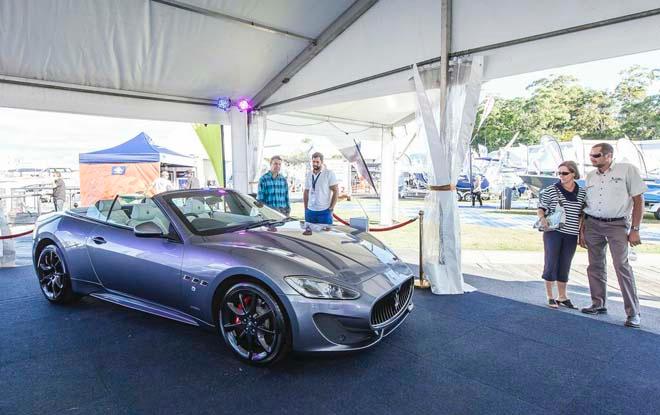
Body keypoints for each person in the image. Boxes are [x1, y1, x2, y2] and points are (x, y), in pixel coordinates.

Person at [579, 143, 646, 328]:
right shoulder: (591, 176)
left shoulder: (627, 170)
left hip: (617, 224)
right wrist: (582, 228)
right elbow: (588, 202)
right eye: (591, 155)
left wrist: (635, 229)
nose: (592, 158)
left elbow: (639, 200)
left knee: (621, 266)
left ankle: (633, 313)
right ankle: (598, 304)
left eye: (597, 155)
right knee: (595, 266)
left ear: (609, 155)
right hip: (592, 223)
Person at [537, 161, 585, 309]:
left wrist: (581, 231)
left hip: (571, 233)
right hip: (554, 232)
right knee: (551, 262)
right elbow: (541, 208)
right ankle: (550, 296)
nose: (561, 176)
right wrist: (542, 218)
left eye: (565, 173)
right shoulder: (551, 190)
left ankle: (562, 296)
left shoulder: (582, 192)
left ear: (574, 174)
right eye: (559, 173)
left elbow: (582, 213)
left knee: (565, 263)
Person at [304, 152, 338, 225]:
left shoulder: (329, 173)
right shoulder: (309, 174)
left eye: (317, 162)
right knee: (310, 235)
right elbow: (306, 191)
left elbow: (336, 191)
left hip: (324, 211)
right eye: (313, 162)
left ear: (322, 162)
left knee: (325, 235)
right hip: (310, 211)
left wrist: (331, 208)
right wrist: (306, 208)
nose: (315, 164)